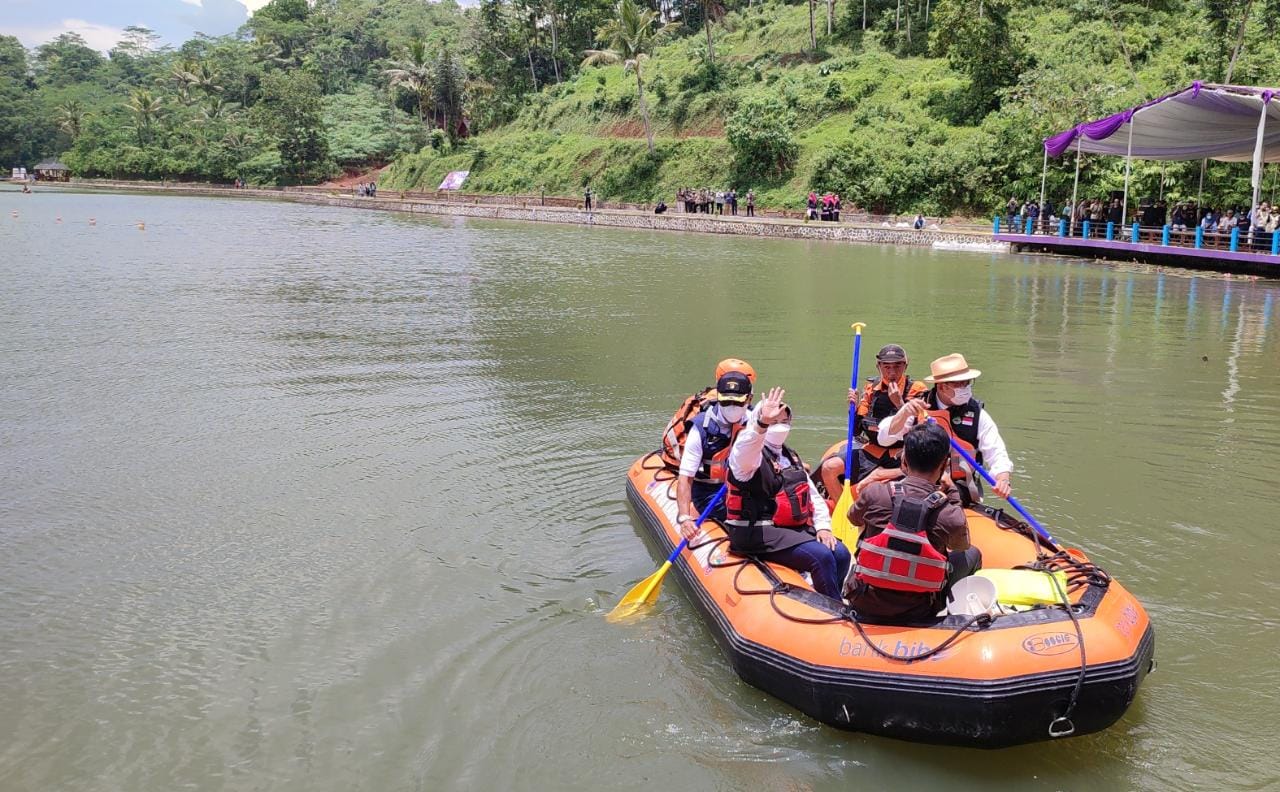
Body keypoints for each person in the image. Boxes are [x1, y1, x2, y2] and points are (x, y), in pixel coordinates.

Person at [843, 422, 981, 623]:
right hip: (920, 610)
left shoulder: (875, 493)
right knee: (972, 554)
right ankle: (952, 620)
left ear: (904, 461)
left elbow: (852, 518)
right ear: (944, 464)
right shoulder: (949, 514)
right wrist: (951, 493)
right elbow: (960, 546)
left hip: (865, 600)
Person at [725, 387, 851, 600]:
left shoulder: (789, 456)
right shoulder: (747, 456)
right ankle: (834, 610)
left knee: (841, 553)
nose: (779, 427)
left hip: (791, 531)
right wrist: (762, 423)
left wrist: (823, 527)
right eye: (774, 422)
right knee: (821, 557)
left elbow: (813, 495)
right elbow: (747, 449)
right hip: (756, 532)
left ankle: (831, 595)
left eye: (783, 422)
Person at [877, 353, 1013, 503]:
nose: (965, 388)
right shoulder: (919, 407)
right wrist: (903, 413)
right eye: (958, 384)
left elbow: (997, 453)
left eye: (967, 382)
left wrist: (1003, 479)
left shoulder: (978, 414)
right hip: (915, 481)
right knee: (880, 495)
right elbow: (884, 438)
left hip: (958, 486)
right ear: (941, 386)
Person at [816, 344, 928, 505]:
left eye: (897, 366)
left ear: (906, 365)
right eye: (886, 366)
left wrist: (900, 404)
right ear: (879, 366)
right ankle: (847, 513)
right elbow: (856, 431)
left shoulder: (917, 390)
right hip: (872, 451)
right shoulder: (870, 389)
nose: (892, 372)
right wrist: (852, 408)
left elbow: (919, 433)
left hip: (901, 455)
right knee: (829, 468)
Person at [676, 370, 753, 536]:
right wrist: (684, 517)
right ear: (718, 397)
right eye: (726, 401)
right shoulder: (700, 428)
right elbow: (685, 476)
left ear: (749, 399)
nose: (732, 407)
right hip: (710, 494)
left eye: (738, 402)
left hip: (746, 488)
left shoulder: (755, 422)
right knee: (751, 516)